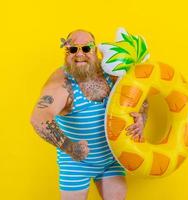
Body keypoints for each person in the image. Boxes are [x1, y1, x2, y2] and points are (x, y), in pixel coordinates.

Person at [30, 29, 148, 200]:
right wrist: (69, 147)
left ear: (95, 50)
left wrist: (142, 118)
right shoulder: (61, 83)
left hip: (110, 159)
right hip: (75, 163)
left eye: (86, 48)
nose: (79, 54)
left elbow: (142, 95)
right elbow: (39, 118)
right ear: (66, 52)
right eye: (72, 49)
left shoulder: (112, 72)